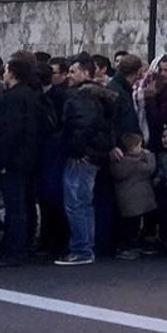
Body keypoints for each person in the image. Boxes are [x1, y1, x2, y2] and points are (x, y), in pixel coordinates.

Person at [58, 55, 116, 266]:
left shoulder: (81, 98)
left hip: (83, 156)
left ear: (85, 73)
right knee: (83, 202)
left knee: (76, 203)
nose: (69, 76)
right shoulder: (99, 96)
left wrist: (77, 149)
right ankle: (85, 246)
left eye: (73, 72)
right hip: (95, 153)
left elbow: (83, 126)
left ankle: (81, 249)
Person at [0, 53, 47, 267]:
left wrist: (1, 158)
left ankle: (15, 249)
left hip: (14, 160)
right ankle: (25, 244)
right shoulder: (31, 95)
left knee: (15, 206)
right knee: (25, 203)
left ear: (12, 73)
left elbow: (11, 131)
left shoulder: (14, 97)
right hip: (29, 158)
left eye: (6, 70)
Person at [108, 131, 159, 258]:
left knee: (130, 224)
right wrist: (150, 156)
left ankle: (127, 246)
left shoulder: (118, 163)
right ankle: (135, 245)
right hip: (140, 199)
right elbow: (150, 169)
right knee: (135, 225)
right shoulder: (137, 163)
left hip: (126, 199)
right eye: (139, 146)